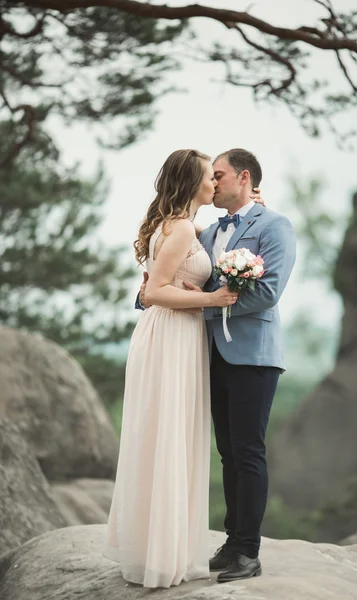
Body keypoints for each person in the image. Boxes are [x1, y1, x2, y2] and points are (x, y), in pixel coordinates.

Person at [140, 148, 296, 583]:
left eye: (219, 175)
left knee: (248, 451)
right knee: (227, 454)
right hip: (208, 355)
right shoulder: (205, 234)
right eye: (209, 176)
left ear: (243, 178)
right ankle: (231, 543)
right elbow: (179, 278)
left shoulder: (275, 226)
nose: (213, 182)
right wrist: (160, 298)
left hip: (253, 356)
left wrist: (202, 308)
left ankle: (249, 551)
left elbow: (267, 293)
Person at [104, 149, 239, 588]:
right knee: (167, 438)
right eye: (208, 177)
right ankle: (161, 555)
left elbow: (206, 240)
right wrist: (212, 299)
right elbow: (155, 292)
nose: (214, 184)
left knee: (168, 437)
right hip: (170, 336)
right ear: (191, 183)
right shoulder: (180, 228)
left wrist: (251, 200)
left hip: (176, 337)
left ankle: (161, 549)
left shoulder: (186, 225)